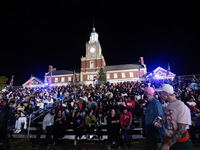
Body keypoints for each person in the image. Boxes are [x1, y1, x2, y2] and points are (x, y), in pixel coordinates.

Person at [157, 84, 194, 150]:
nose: (159, 95)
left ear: (166, 94)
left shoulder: (181, 107)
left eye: (160, 93)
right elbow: (171, 121)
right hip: (171, 139)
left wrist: (168, 144)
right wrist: (162, 122)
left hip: (181, 142)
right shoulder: (169, 105)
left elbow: (181, 130)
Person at [142, 86, 166, 150]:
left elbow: (159, 119)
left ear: (147, 93)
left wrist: (159, 133)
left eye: (144, 92)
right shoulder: (149, 103)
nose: (143, 93)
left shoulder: (155, 103)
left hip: (155, 135)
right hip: (149, 133)